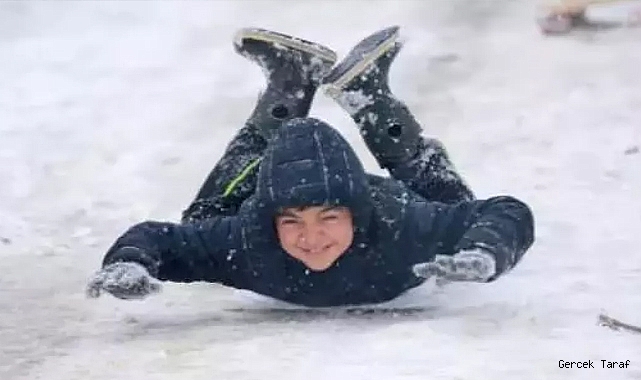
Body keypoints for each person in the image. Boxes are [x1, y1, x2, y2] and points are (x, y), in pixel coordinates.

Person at [86, 26, 535, 308]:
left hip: (394, 207)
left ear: (356, 214)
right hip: (266, 206)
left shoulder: (403, 227)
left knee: (454, 205)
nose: (312, 237)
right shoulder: (245, 241)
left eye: (329, 218)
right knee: (205, 221)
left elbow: (505, 211)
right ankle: (313, 88)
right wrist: (130, 263)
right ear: (270, 219)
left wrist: (485, 252)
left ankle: (342, 93)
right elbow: (155, 238)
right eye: (292, 221)